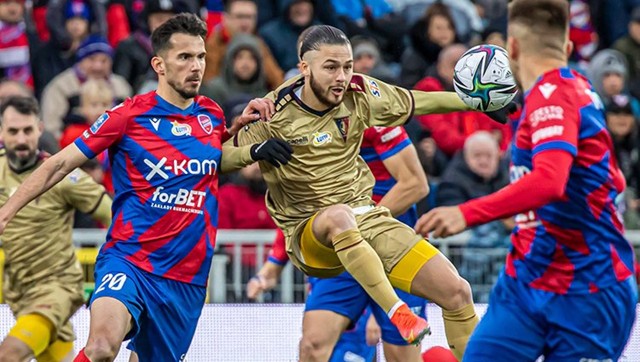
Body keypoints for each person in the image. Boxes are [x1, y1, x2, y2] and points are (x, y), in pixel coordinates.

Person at [0, 13, 292, 362]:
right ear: (159, 64)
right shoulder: (128, 116)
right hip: (131, 259)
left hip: (187, 274)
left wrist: (250, 148)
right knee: (100, 347)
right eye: (184, 57)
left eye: (200, 56)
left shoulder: (211, 115)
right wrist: (6, 212)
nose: (196, 66)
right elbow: (58, 164)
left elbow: (212, 160)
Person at [232, 24, 511, 360]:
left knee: (457, 291)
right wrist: (250, 148)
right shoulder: (273, 112)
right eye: (331, 67)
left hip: (369, 223)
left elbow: (416, 120)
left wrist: (475, 102)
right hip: (317, 237)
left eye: (347, 67)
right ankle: (396, 309)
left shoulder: (364, 101)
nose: (342, 77)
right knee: (314, 343)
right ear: (304, 68)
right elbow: (219, 157)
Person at [415, 1, 638, 361]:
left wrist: (467, 213)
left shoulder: (556, 96)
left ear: (512, 48)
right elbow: (614, 180)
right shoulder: (571, 92)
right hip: (525, 279)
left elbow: (551, 181)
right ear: (566, 48)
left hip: (586, 288)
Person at [249, 125, 438, 362]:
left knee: (402, 356)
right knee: (312, 345)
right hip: (342, 253)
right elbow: (303, 209)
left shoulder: (375, 116)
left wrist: (357, 224)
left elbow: (415, 186)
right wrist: (273, 266)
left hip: (391, 251)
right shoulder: (303, 127)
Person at [0, 96, 112, 362]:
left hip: (57, 288)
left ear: (39, 129)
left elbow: (116, 217)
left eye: (28, 130)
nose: (21, 139)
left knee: (9, 355)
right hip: (18, 292)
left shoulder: (63, 175)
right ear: (1, 132)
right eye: (13, 131)